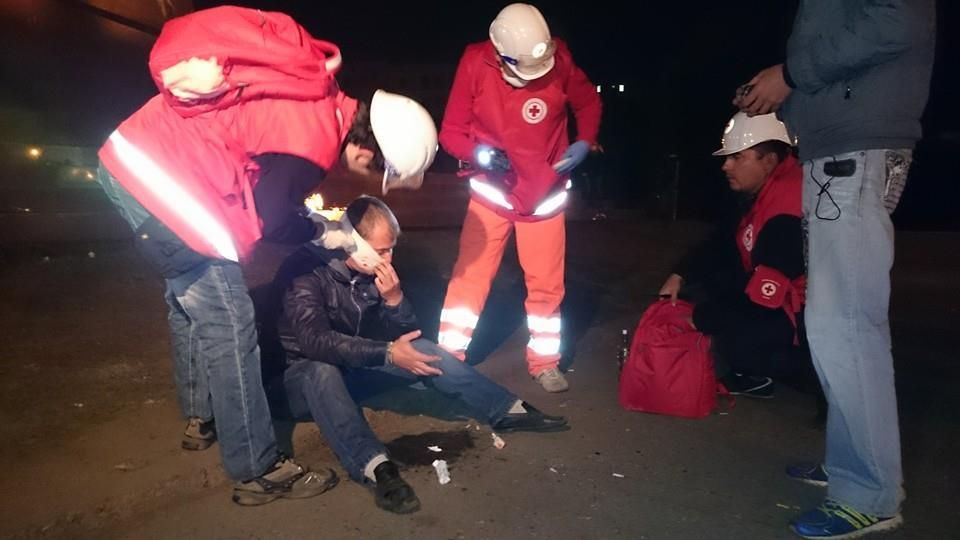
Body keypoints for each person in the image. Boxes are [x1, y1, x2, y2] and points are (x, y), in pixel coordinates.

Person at [95, 6, 438, 506]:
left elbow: (264, 180)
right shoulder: (316, 140)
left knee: (190, 308)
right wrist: (332, 234)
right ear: (368, 152)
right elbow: (274, 220)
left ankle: (202, 417)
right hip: (165, 186)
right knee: (231, 329)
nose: (367, 177)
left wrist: (315, 222)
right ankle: (257, 468)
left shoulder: (315, 94)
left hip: (133, 154)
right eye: (377, 172)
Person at [734, 1, 936, 537]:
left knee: (847, 327)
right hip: (838, 152)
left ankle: (870, 493)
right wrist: (784, 100)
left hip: (858, 152)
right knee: (833, 326)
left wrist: (793, 75)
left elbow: (899, 22)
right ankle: (852, 467)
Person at [264, 196, 569, 514]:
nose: (388, 257)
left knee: (423, 350)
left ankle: (506, 411)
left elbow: (407, 334)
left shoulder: (369, 271)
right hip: (293, 384)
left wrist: (395, 301)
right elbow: (315, 343)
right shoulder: (304, 271)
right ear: (353, 243)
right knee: (321, 371)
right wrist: (387, 353)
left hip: (346, 369)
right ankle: (375, 468)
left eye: (391, 248)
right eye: (381, 250)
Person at [436, 3, 602, 392]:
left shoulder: (558, 60)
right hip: (492, 193)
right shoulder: (475, 63)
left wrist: (584, 141)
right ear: (500, 53)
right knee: (469, 280)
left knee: (547, 285)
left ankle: (545, 362)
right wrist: (478, 154)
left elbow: (588, 102)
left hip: (544, 196)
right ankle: (448, 359)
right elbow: (451, 132)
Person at [658, 112, 810, 399]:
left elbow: (763, 300)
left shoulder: (788, 207)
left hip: (807, 313)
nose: (726, 166)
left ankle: (803, 373)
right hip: (788, 300)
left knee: (736, 334)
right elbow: (723, 242)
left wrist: (700, 319)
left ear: (769, 161)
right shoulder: (767, 189)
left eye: (737, 157)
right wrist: (681, 273)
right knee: (715, 286)